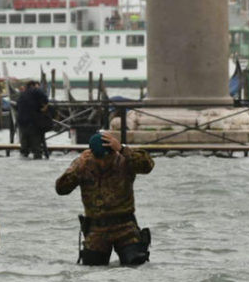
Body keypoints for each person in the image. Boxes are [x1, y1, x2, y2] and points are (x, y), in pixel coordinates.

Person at [55, 131, 154, 265]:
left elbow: (147, 165)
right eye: (99, 157)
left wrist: (122, 149)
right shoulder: (83, 164)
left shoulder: (124, 160)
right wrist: (77, 169)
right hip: (97, 229)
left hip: (125, 226)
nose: (103, 162)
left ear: (113, 152)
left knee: (136, 265)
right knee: (92, 270)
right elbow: (61, 189)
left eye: (107, 157)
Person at [16, 80, 50, 159]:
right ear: (33, 85)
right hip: (33, 122)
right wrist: (43, 108)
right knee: (36, 147)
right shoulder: (35, 90)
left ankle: (24, 157)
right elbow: (45, 100)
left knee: (24, 146)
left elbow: (17, 106)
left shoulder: (22, 94)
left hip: (22, 122)